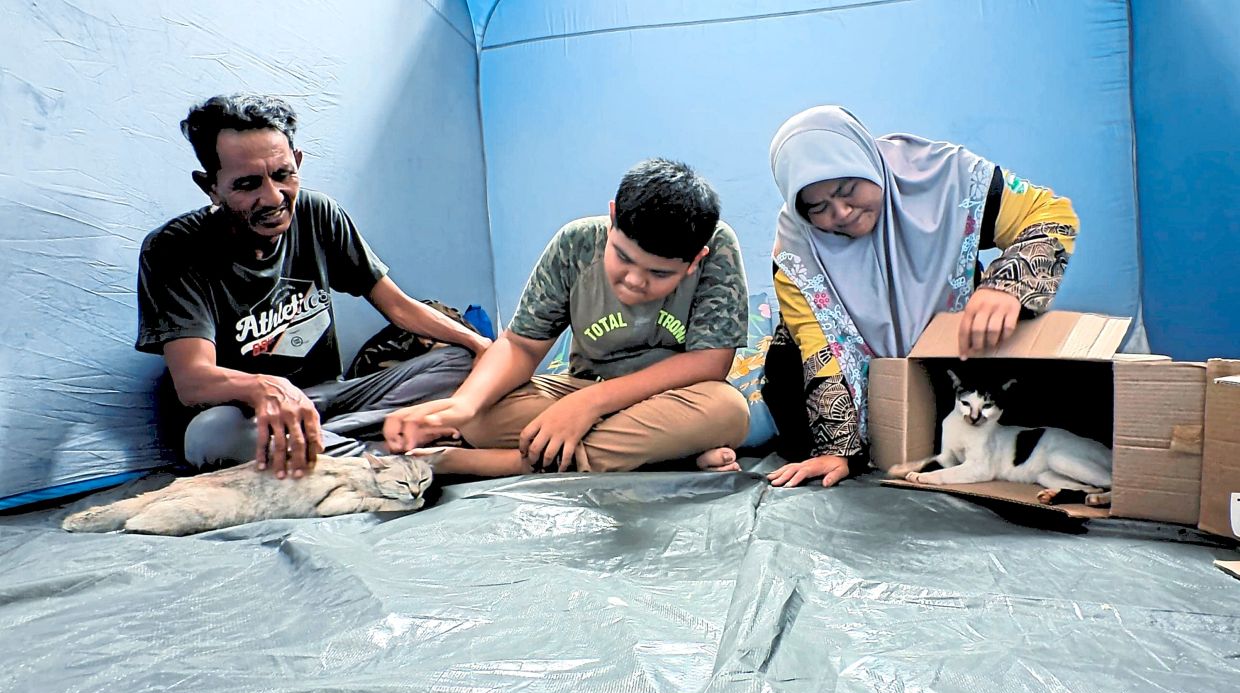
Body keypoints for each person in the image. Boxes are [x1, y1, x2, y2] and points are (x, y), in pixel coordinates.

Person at [137, 94, 490, 479]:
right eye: (247, 184)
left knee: (464, 361)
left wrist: (481, 346)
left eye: (283, 175)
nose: (272, 198)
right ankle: (396, 453)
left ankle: (349, 448)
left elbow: (400, 307)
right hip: (250, 418)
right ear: (211, 187)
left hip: (334, 402)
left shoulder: (318, 213)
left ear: (298, 162)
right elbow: (192, 381)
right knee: (213, 436)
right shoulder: (174, 248)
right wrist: (267, 388)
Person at [763, 105, 1080, 488]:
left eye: (846, 190)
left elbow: (1050, 214)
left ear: (866, 161)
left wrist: (1007, 287)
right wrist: (835, 447)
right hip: (855, 378)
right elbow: (820, 347)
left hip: (951, 357)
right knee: (788, 373)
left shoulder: (947, 177)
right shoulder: (795, 250)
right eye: (818, 207)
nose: (842, 212)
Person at [382, 158, 750, 476]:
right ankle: (663, 455)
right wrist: (462, 406)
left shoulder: (719, 248)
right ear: (612, 219)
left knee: (728, 411)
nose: (635, 280)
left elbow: (710, 363)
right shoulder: (575, 243)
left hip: (673, 399)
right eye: (623, 257)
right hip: (586, 388)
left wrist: (590, 406)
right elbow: (521, 346)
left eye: (659, 274)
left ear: (695, 260)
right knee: (481, 418)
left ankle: (510, 464)